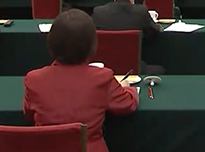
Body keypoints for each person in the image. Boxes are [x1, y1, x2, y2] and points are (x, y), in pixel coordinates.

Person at [23, 10, 138, 152]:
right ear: (92, 45)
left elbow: (28, 113)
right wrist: (127, 88)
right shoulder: (102, 77)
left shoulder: (34, 79)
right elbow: (127, 105)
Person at [92, 0, 165, 75]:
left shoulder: (98, 12)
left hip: (105, 68)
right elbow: (155, 32)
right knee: (159, 69)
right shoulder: (140, 11)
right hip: (134, 68)